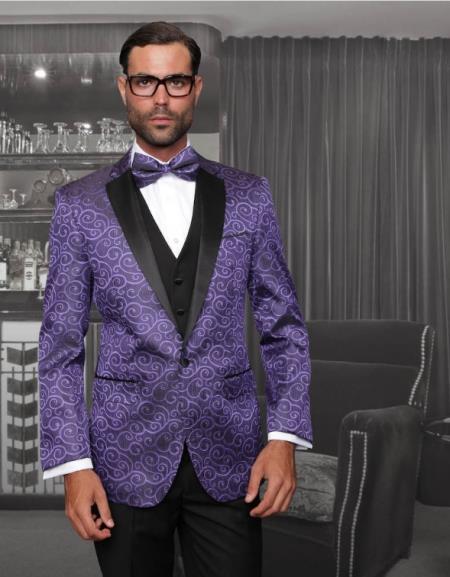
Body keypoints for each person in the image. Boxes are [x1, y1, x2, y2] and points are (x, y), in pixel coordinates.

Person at [38, 21, 312, 577]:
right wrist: (74, 464)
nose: (160, 98)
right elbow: (60, 346)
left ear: (196, 88)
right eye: (145, 82)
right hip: (123, 457)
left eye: (176, 82)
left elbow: (283, 326)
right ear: (124, 88)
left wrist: (284, 438)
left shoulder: (250, 195)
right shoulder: (79, 205)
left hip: (231, 455)